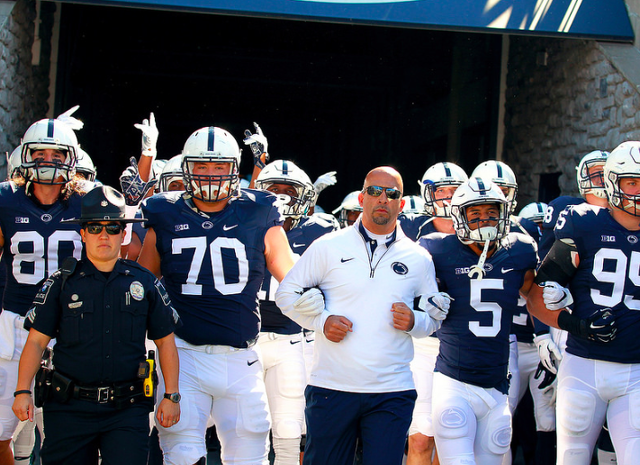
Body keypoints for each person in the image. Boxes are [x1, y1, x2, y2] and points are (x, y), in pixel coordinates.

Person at [138, 125, 296, 465]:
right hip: (182, 355)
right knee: (181, 455)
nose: (210, 175)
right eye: (202, 167)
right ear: (186, 168)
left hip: (241, 358)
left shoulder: (258, 209)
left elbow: (291, 275)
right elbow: (144, 283)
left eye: (219, 167)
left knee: (250, 456)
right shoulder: (164, 212)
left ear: (234, 168)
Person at [275, 166, 448, 465]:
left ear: (401, 203)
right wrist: (321, 321)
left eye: (391, 193)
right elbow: (285, 295)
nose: (383, 198)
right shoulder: (328, 246)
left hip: (391, 391)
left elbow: (432, 321)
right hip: (331, 387)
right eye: (375, 191)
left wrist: (415, 322)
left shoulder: (419, 258)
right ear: (362, 197)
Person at [10, 185, 181, 464]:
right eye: (94, 227)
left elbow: (166, 343)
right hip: (69, 408)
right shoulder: (61, 283)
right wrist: (22, 391)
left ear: (124, 234)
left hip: (128, 407)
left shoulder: (144, 282)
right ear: (83, 233)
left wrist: (172, 395)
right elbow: (36, 342)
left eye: (113, 227)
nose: (104, 235)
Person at [527, 141, 640, 465]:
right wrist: (575, 325)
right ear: (613, 182)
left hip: (636, 370)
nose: (638, 191)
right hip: (584, 365)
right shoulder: (583, 221)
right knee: (572, 458)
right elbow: (536, 296)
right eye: (632, 181)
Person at [418, 177, 538, 465]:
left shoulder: (520, 250)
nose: (485, 220)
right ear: (459, 216)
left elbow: (536, 297)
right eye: (476, 214)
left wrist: (570, 322)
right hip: (453, 382)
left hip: (497, 387)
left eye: (492, 213)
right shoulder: (438, 250)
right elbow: (405, 291)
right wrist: (424, 302)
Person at [0, 118, 90, 464]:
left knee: (65, 436)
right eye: (40, 153)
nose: (48, 161)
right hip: (16, 325)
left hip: (70, 327)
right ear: (26, 156)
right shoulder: (7, 199)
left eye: (57, 154)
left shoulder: (88, 201)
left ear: (72, 159)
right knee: (2, 430)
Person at [255, 159, 338, 465]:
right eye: (274, 190)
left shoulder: (321, 231)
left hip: (292, 341)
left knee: (289, 429)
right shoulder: (244, 226)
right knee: (246, 429)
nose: (282, 196)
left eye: (289, 190)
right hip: (245, 342)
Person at [406, 161, 467, 465]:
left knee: (451, 435)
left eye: (453, 191)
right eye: (440, 191)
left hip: (464, 343)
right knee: (419, 435)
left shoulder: (481, 230)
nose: (447, 198)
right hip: (423, 342)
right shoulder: (408, 229)